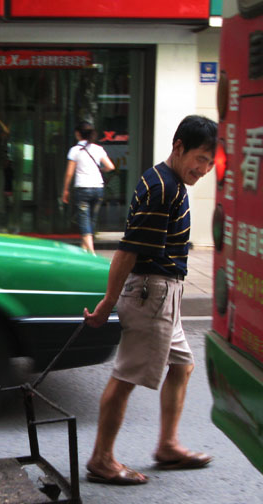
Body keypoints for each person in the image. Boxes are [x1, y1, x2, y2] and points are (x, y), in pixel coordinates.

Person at [83, 114, 217, 485]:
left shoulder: (161, 177)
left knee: (183, 366)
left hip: (164, 295)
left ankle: (168, 445)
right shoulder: (165, 189)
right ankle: (101, 459)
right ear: (179, 148)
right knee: (126, 376)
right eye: (200, 159)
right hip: (151, 294)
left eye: (210, 163)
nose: (204, 169)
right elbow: (128, 249)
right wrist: (108, 303)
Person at [62, 121, 115, 255]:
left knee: (84, 220)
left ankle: (91, 252)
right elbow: (110, 167)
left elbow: (69, 173)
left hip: (83, 188)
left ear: (78, 134)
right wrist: (100, 170)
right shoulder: (98, 149)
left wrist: (65, 190)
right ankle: (84, 250)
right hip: (98, 188)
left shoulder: (75, 150)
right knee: (91, 219)